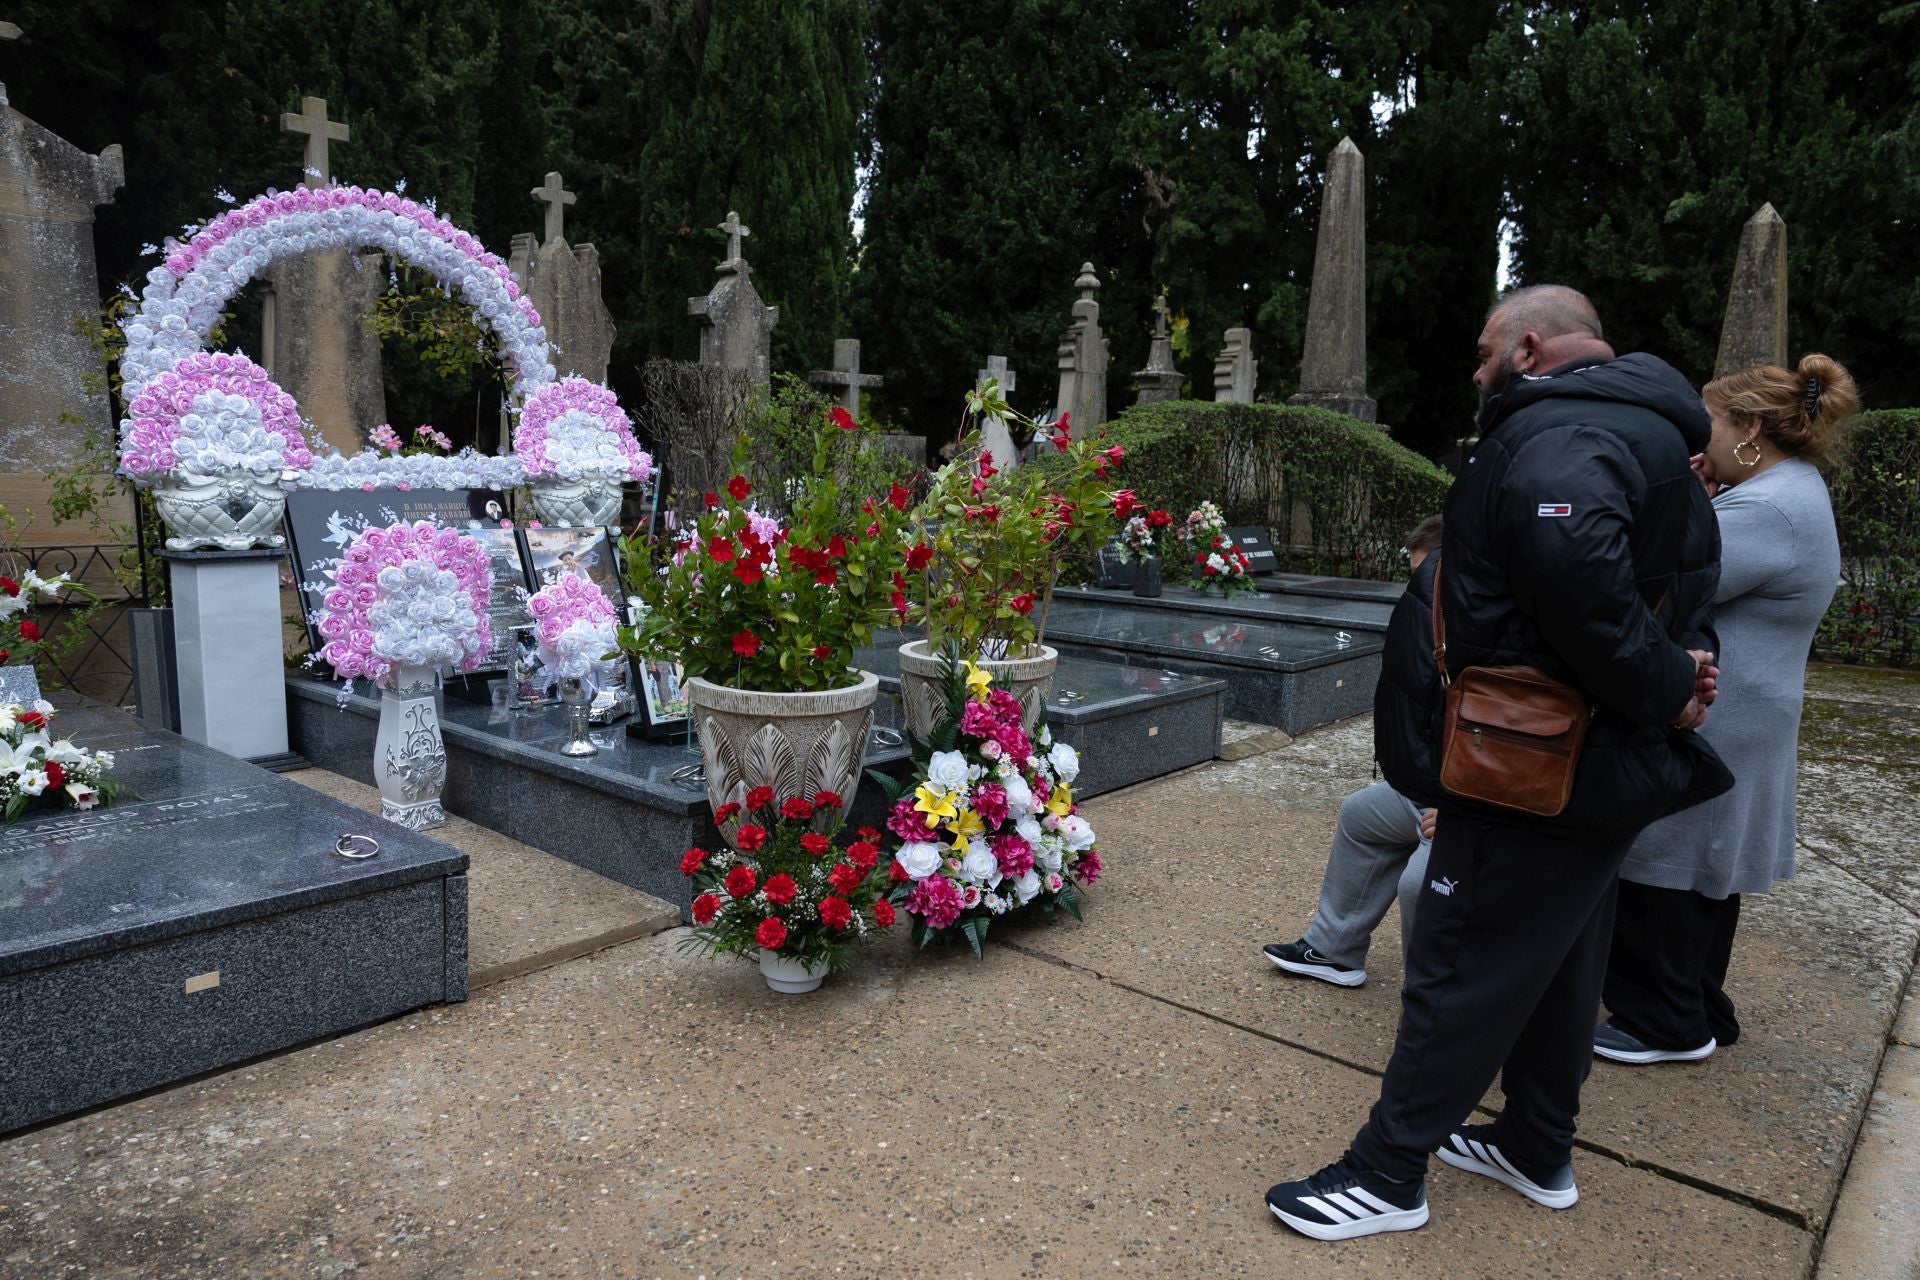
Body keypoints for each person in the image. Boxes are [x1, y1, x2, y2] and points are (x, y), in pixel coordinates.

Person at [1265, 284, 1731, 1241]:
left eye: (1484, 354)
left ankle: (1388, 1173)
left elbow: (1578, 573)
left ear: (1527, 349)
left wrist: (1657, 682)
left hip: (1535, 761)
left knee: (1462, 954)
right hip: (1595, 763)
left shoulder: (1562, 431)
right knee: (1563, 956)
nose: (1476, 371)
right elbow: (1680, 573)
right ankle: (1534, 1142)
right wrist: (1672, 677)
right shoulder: (1638, 427)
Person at [1596, 356, 1855, 1065]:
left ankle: (1664, 1022)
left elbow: (1660, 579)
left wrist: (1680, 497)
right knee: (1707, 865)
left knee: (1669, 861)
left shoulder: (1768, 507)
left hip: (1721, 708)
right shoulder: (1787, 491)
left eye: (1707, 424)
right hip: (1749, 705)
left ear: (1748, 429)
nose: (1695, 440)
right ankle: (1699, 1004)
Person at [1263, 517, 1444, 987]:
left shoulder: (1480, 630)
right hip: (1430, 789)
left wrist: (1463, 806)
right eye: (1415, 575)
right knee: (1361, 814)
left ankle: (1436, 1007)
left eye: (1427, 574)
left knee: (1419, 884)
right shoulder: (1430, 617)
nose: (1418, 586)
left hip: (1472, 801)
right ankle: (1335, 951)